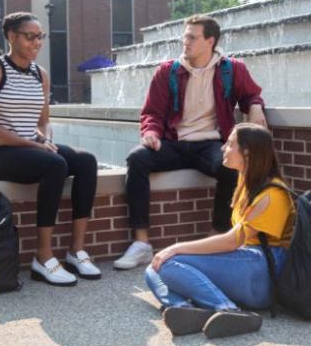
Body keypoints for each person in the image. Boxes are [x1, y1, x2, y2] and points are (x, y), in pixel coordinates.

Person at [114, 14, 266, 270]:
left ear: (210, 41)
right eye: (185, 36)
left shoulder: (232, 70)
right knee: (137, 158)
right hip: (172, 143)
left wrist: (256, 107)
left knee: (231, 168)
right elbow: (151, 112)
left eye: (192, 37)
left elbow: (252, 94)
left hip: (210, 145)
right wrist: (150, 132)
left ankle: (216, 237)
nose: (185, 42)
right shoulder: (168, 71)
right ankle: (141, 243)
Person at [0, 11, 101, 286]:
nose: (36, 43)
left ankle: (76, 251)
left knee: (86, 161)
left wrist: (44, 138)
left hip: (29, 148)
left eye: (40, 37)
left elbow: (43, 121)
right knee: (55, 164)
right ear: (11, 36)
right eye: (30, 37)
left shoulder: (39, 74)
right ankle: (43, 257)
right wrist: (35, 144)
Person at [145, 123, 295, 338]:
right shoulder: (248, 182)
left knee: (168, 263)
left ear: (247, 152)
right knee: (154, 267)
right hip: (246, 265)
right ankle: (185, 311)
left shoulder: (272, 194)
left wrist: (177, 248)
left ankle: (228, 310)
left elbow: (232, 241)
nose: (223, 148)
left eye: (230, 144)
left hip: (262, 274)